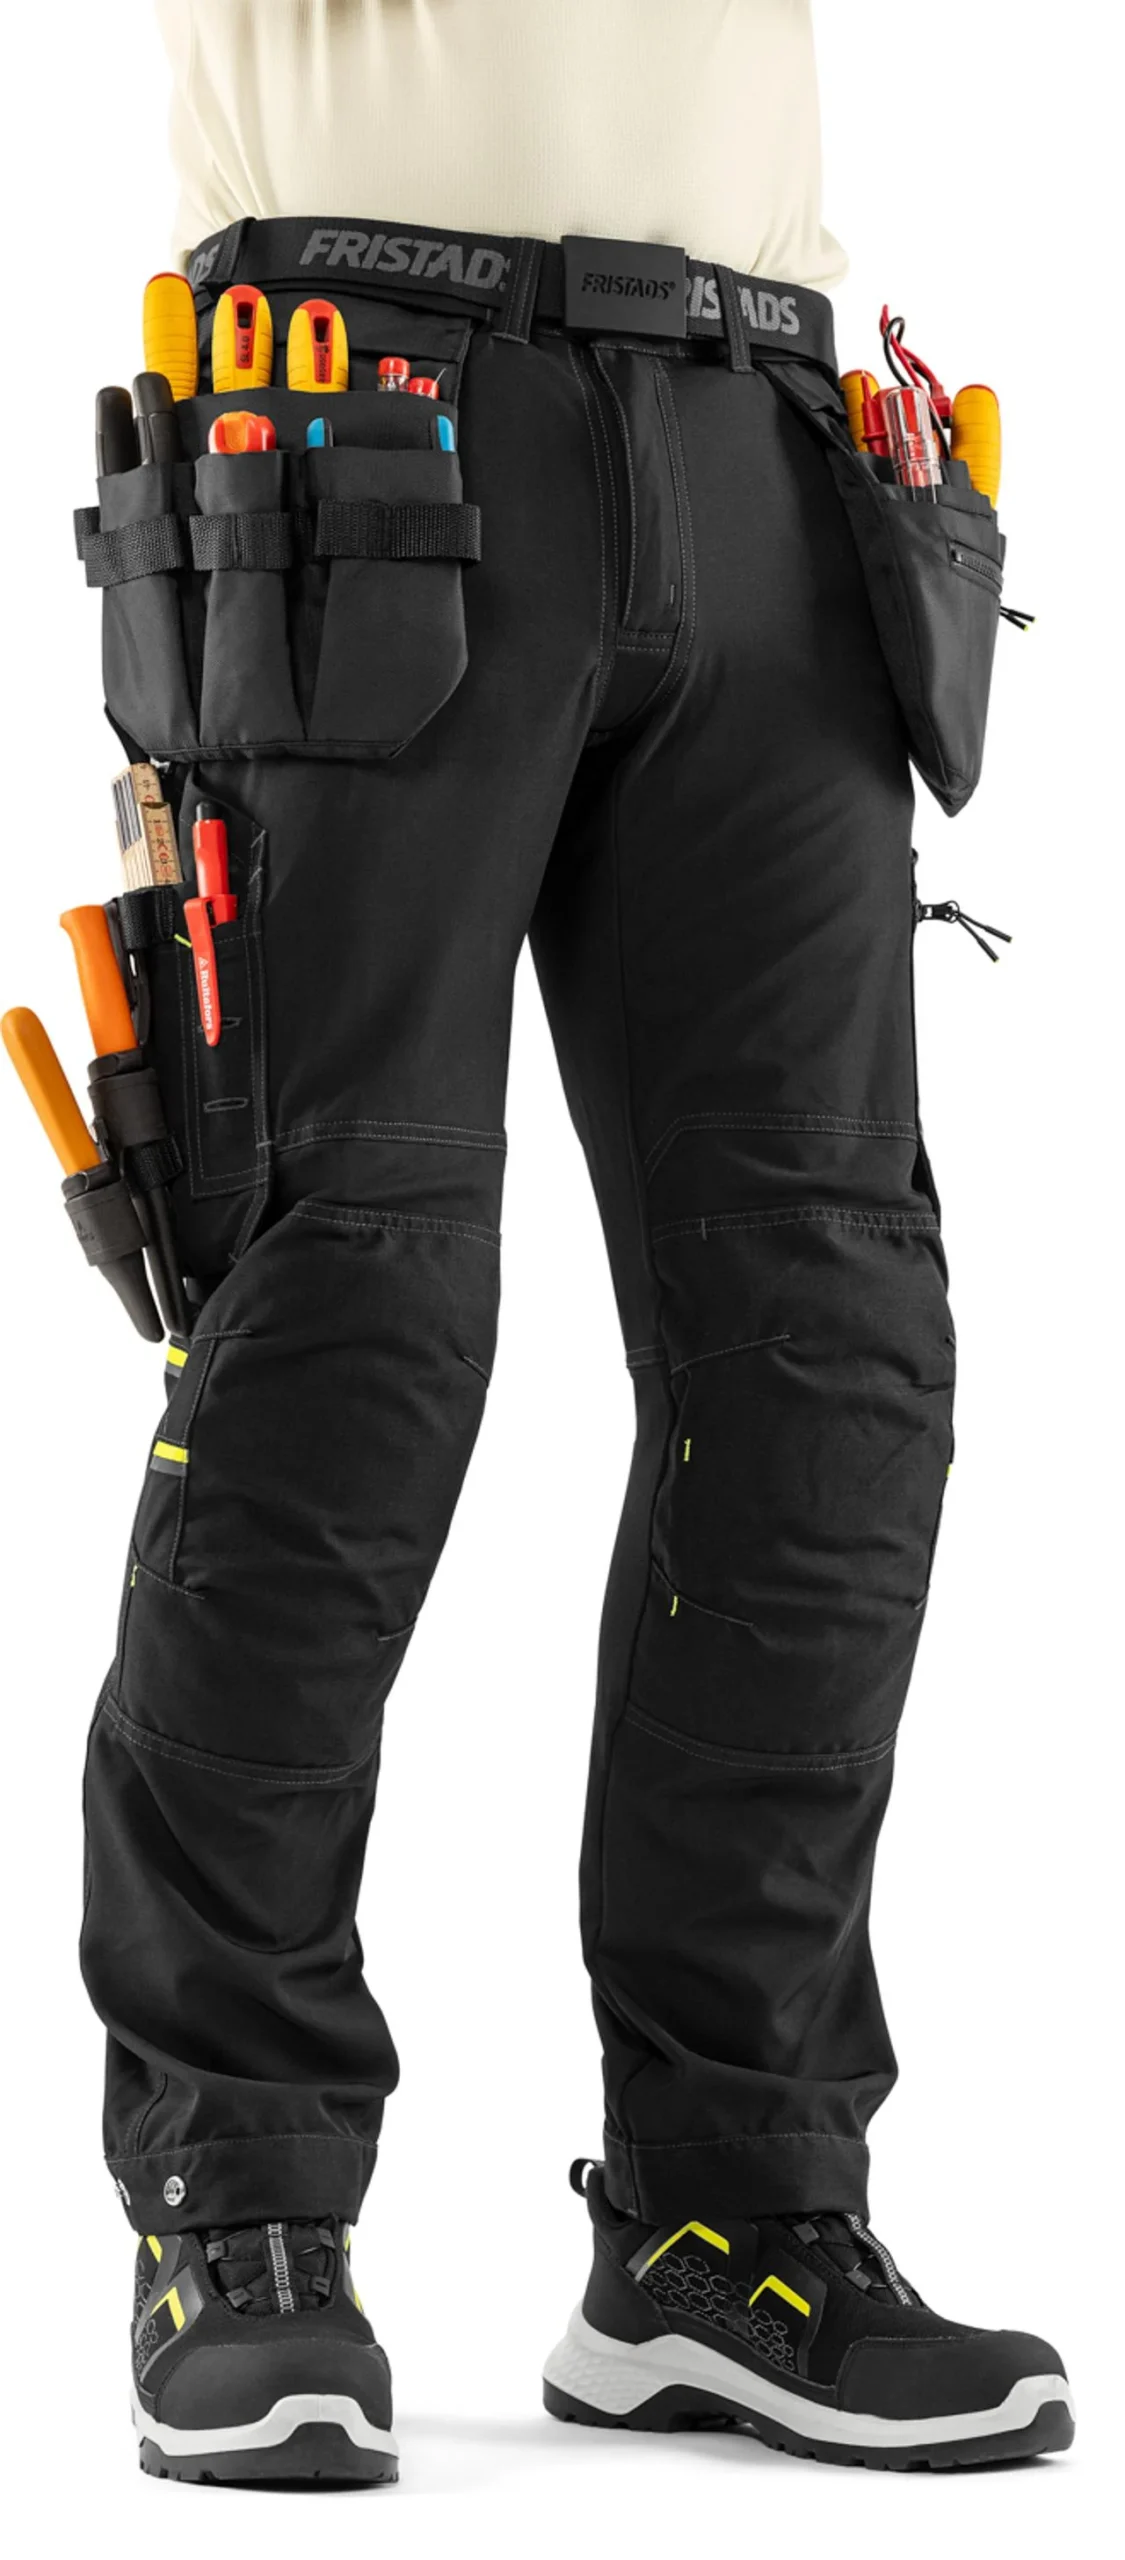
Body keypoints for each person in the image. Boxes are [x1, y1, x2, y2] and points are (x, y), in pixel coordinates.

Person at [81, 0, 1072, 2485]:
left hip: (770, 429)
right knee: (346, 1311)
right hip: (360, 404)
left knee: (829, 1344)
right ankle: (236, 2193)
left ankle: (730, 2204)